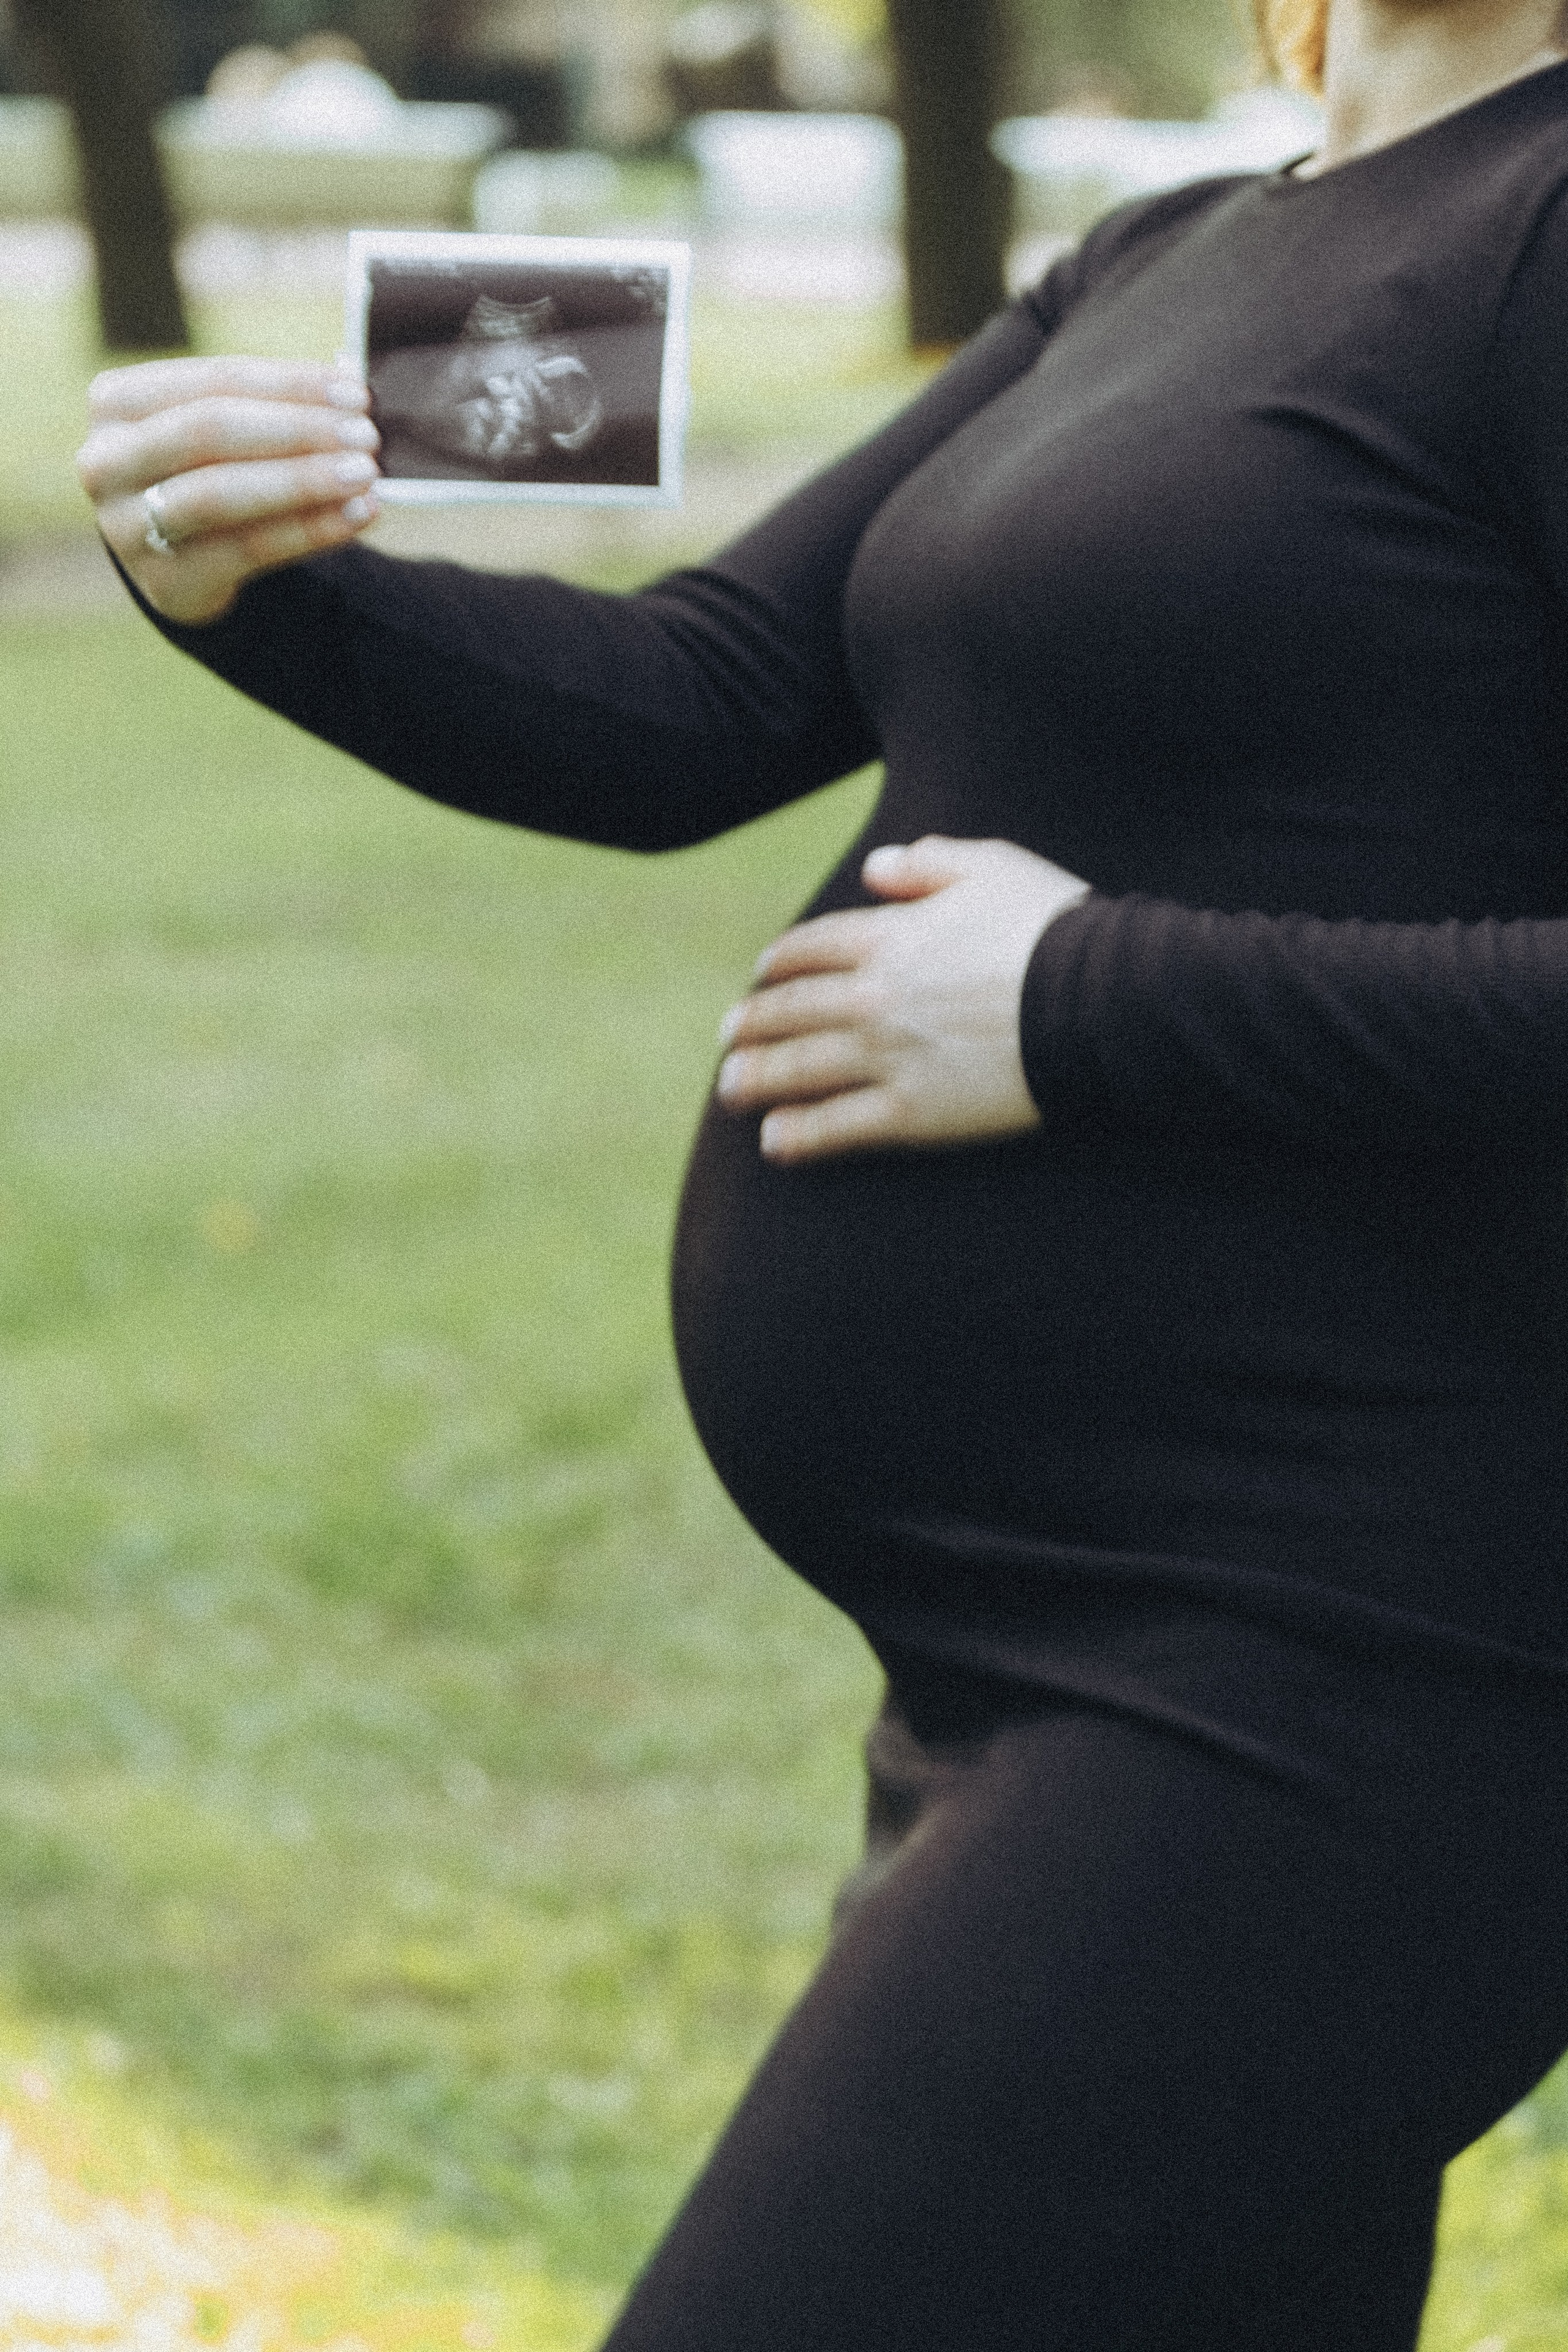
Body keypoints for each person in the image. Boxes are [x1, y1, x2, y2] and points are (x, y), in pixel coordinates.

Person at [77, 0, 1568, 2338]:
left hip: (1347, 1655)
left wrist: (1080, 999)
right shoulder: (1175, 249)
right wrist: (244, 584)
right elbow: (690, 701)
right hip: (1035, 1648)